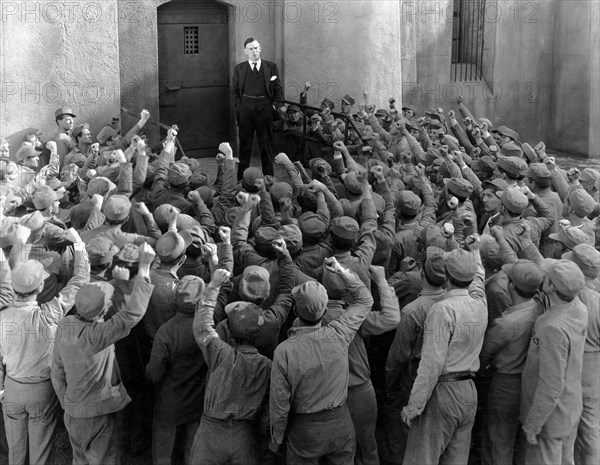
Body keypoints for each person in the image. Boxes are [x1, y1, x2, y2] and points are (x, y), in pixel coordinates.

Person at [51, 243, 156, 465]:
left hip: (73, 411)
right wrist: (144, 268)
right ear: (101, 312)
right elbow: (131, 315)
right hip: (97, 414)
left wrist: (67, 403)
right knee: (105, 458)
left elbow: (57, 372)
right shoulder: (97, 335)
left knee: (79, 458)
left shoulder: (66, 324)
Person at [269, 257, 374, 464]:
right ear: (325, 312)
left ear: (296, 311)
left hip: (305, 431)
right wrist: (341, 270)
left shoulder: (284, 351)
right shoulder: (340, 333)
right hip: (341, 423)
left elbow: (279, 403)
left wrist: (277, 439)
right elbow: (365, 300)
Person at [520, 259, 588, 465]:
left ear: (550, 286)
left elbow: (551, 384)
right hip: (570, 408)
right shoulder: (579, 308)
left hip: (549, 419)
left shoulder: (552, 327)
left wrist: (533, 423)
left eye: (547, 277)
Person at [231, 38, 284, 178]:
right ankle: (241, 180)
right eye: (251, 49)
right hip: (246, 110)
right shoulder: (239, 69)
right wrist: (240, 107)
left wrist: (273, 106)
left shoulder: (270, 67)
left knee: (266, 146)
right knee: (245, 146)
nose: (254, 51)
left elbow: (278, 89)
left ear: (260, 49)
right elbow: (234, 91)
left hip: (265, 109)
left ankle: (269, 179)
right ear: (245, 52)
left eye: (256, 48)